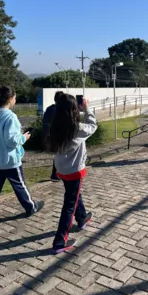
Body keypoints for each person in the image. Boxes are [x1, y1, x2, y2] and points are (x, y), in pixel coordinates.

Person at [0, 86, 45, 234]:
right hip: (9, 160)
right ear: (10, 99)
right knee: (20, 185)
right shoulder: (10, 116)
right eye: (15, 97)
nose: (15, 99)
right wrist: (24, 137)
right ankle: (31, 207)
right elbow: (12, 141)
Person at [48, 94, 96, 253]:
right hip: (74, 170)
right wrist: (87, 108)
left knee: (73, 194)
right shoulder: (77, 128)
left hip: (62, 169)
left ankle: (82, 217)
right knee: (69, 204)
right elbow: (93, 125)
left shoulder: (55, 126)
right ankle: (60, 240)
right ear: (74, 109)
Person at [43, 91, 64, 181]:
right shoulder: (62, 110)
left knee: (57, 154)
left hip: (51, 135)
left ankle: (56, 173)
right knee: (60, 154)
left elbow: (44, 122)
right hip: (61, 135)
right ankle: (56, 174)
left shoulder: (49, 109)